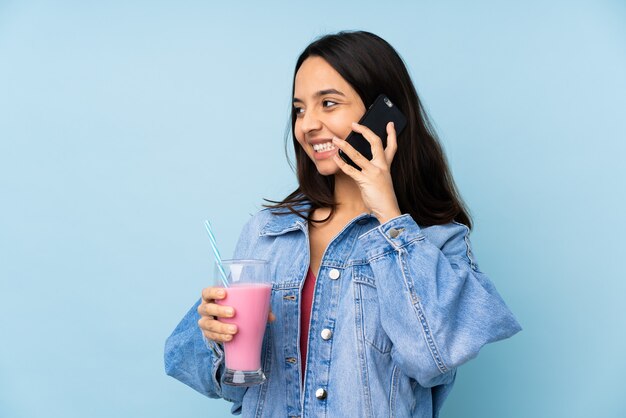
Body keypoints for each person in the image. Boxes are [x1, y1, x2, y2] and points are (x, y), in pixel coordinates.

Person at [164, 30, 521, 418]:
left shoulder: (436, 241)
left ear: (384, 114)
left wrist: (388, 213)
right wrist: (214, 336)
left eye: (328, 103)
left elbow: (432, 358)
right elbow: (225, 383)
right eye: (299, 109)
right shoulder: (268, 233)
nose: (307, 125)